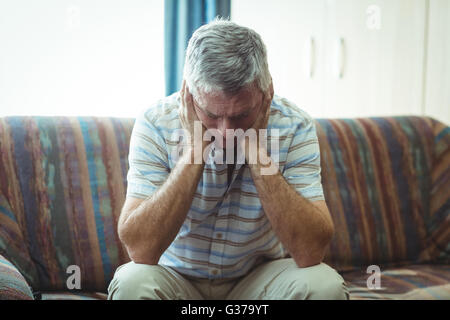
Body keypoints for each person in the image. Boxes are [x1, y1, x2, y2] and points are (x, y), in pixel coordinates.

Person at [107, 19, 349, 300]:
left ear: (266, 91)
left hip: (258, 279)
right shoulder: (155, 123)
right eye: (212, 114)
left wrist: (256, 151)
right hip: (176, 279)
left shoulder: (295, 126)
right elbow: (140, 250)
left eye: (241, 115)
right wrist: (196, 150)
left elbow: (310, 252)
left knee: (323, 284)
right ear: (189, 94)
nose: (226, 132)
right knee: (132, 282)